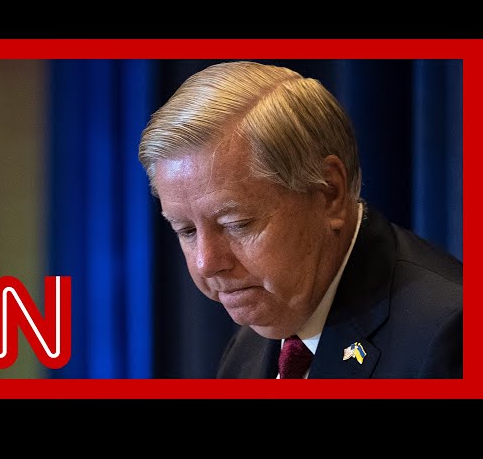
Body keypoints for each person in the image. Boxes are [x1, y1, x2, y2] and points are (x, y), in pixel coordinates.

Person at [138, 61, 462, 379]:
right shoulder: (254, 338)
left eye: (237, 224)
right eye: (186, 230)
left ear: (329, 193)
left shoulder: (449, 337)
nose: (206, 263)